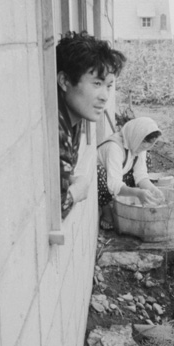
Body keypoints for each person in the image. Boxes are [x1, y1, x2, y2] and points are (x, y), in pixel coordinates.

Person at [56, 31, 126, 219]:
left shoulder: (75, 118)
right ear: (64, 81)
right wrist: (77, 190)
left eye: (108, 86)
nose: (105, 96)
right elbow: (57, 207)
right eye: (97, 83)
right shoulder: (56, 126)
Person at [97, 116, 165, 229]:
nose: (143, 149)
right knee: (99, 172)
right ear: (137, 137)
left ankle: (128, 201)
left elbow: (141, 175)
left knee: (146, 158)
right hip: (104, 182)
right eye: (143, 145)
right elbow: (113, 184)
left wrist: (153, 189)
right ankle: (106, 210)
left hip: (119, 174)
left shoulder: (137, 144)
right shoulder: (114, 147)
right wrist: (137, 193)